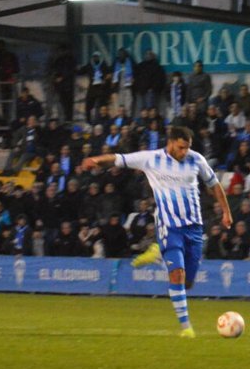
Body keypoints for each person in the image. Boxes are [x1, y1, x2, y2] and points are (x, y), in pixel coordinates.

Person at [80, 124, 233, 337]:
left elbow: (215, 185)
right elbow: (119, 159)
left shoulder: (196, 159)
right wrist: (96, 160)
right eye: (180, 147)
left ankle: (158, 254)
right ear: (170, 142)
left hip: (194, 228)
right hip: (169, 227)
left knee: (188, 282)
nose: (184, 152)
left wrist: (226, 212)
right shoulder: (151, 159)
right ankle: (186, 328)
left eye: (187, 148)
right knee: (177, 275)